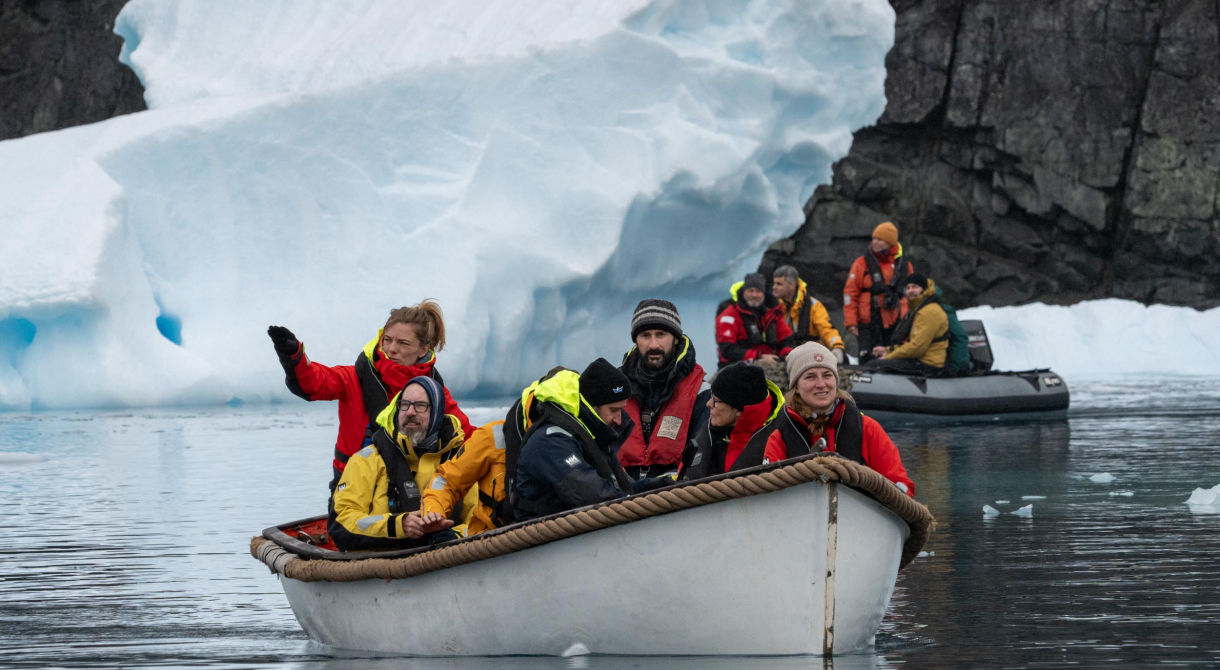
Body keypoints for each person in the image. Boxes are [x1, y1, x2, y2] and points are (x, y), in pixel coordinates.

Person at [267, 299, 474, 490]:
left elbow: (470, 438)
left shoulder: (434, 391)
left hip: (413, 492)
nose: (391, 349)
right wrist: (293, 355)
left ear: (423, 350)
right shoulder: (355, 378)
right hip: (354, 488)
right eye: (387, 340)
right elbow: (314, 382)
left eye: (403, 343)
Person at [512, 359, 673, 522]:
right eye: (613, 410)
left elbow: (621, 488)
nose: (619, 420)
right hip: (548, 535)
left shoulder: (592, 437)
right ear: (592, 406)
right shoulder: (550, 442)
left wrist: (662, 485)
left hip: (583, 530)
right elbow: (591, 495)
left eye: (621, 409)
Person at [328, 376, 467, 551]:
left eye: (420, 405)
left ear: (437, 413)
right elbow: (340, 524)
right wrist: (397, 525)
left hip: (451, 558)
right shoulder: (366, 460)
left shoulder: (460, 460)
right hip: (380, 563)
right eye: (404, 404)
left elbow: (481, 519)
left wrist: (456, 536)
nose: (410, 412)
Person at [765, 343, 914, 494]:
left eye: (827, 375)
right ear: (796, 386)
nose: (821, 384)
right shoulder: (779, 438)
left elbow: (902, 487)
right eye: (810, 377)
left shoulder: (868, 429)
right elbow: (770, 497)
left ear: (836, 381)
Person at [617, 300, 711, 480]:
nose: (653, 345)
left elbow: (702, 459)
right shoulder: (615, 390)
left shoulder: (702, 393)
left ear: (676, 338)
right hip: (622, 492)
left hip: (678, 491)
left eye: (661, 334)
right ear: (636, 340)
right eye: (645, 335)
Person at [678, 362, 784, 481]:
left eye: (715, 400)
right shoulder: (709, 433)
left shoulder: (781, 437)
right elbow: (681, 476)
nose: (708, 404)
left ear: (739, 410)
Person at [421, 418, 508, 537]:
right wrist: (433, 513)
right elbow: (446, 481)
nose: (411, 412)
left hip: (516, 537)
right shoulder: (492, 435)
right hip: (490, 540)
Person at [843, 222, 914, 363]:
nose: (875, 242)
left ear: (890, 242)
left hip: (896, 323)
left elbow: (913, 295)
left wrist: (909, 321)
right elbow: (849, 294)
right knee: (866, 360)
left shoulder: (905, 265)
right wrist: (851, 321)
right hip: (867, 324)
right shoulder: (861, 263)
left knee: (893, 360)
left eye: (880, 239)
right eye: (874, 238)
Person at [867, 273, 947, 377]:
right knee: (870, 360)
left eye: (915, 287)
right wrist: (887, 350)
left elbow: (917, 348)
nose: (910, 291)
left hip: (929, 363)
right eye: (908, 288)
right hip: (918, 360)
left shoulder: (930, 311)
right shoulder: (918, 309)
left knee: (874, 366)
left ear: (924, 289)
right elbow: (912, 343)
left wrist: (889, 356)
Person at [715, 272, 796, 368]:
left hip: (773, 364)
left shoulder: (772, 313)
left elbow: (787, 339)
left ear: (763, 293)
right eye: (750, 290)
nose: (754, 294)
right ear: (744, 292)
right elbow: (727, 350)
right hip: (737, 367)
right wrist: (759, 356)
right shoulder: (729, 316)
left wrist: (786, 355)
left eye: (758, 291)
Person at [771, 265, 846, 363]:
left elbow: (827, 329)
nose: (774, 287)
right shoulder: (774, 306)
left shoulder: (814, 306)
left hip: (813, 355)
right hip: (786, 353)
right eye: (774, 283)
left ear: (792, 285)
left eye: (779, 284)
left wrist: (837, 346)